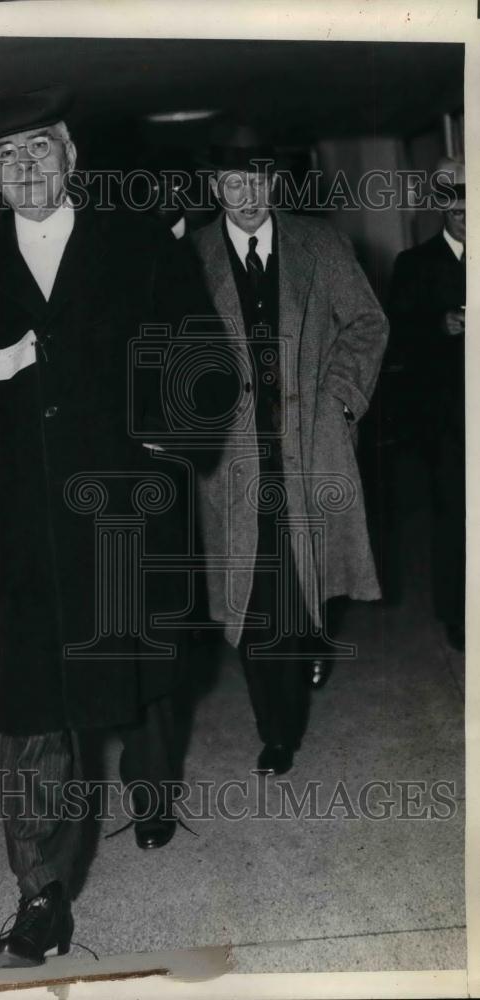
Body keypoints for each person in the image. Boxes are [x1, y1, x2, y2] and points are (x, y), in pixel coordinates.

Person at [0, 85, 191, 968]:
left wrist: (167, 451)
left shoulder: (137, 244)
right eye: (6, 157)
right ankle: (40, 894)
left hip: (124, 514)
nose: (26, 169)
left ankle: (154, 793)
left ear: (72, 155)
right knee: (33, 710)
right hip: (24, 529)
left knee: (144, 679)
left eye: (39, 149)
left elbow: (197, 359)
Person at [189, 124, 388, 775]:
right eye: (232, 181)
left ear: (275, 181)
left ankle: (310, 640)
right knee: (251, 594)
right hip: (232, 461)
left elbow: (366, 321)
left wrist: (340, 397)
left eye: (258, 179)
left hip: (310, 447)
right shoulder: (193, 258)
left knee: (304, 581)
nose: (246, 194)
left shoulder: (320, 244)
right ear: (215, 185)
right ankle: (276, 732)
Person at [387, 156, 466, 651]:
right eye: (459, 211)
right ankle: (459, 614)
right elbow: (395, 338)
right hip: (448, 420)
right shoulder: (414, 265)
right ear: (442, 209)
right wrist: (440, 326)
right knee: (455, 517)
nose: (468, 218)